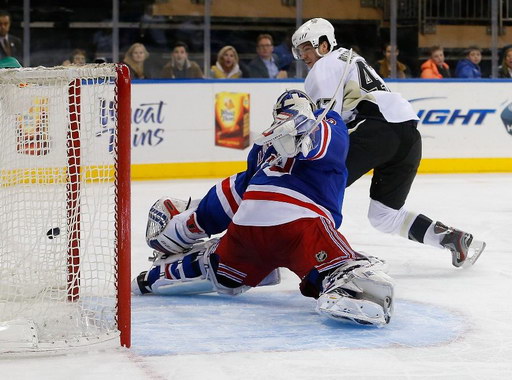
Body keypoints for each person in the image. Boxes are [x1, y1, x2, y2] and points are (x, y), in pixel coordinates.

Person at [134, 89, 395, 327]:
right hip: (298, 222)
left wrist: (186, 227)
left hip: (247, 227)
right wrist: (311, 130)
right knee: (338, 267)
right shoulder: (327, 121)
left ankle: (152, 278)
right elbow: (327, 142)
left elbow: (228, 197)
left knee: (220, 269)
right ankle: (349, 283)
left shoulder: (261, 149)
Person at [289, 18, 485, 267]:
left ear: (324, 44)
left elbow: (325, 123)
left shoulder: (322, 67)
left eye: (307, 47)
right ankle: (453, 239)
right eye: (300, 50)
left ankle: (313, 253)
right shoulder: (349, 58)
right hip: (408, 136)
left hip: (377, 130)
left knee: (314, 188)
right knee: (384, 215)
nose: (304, 55)